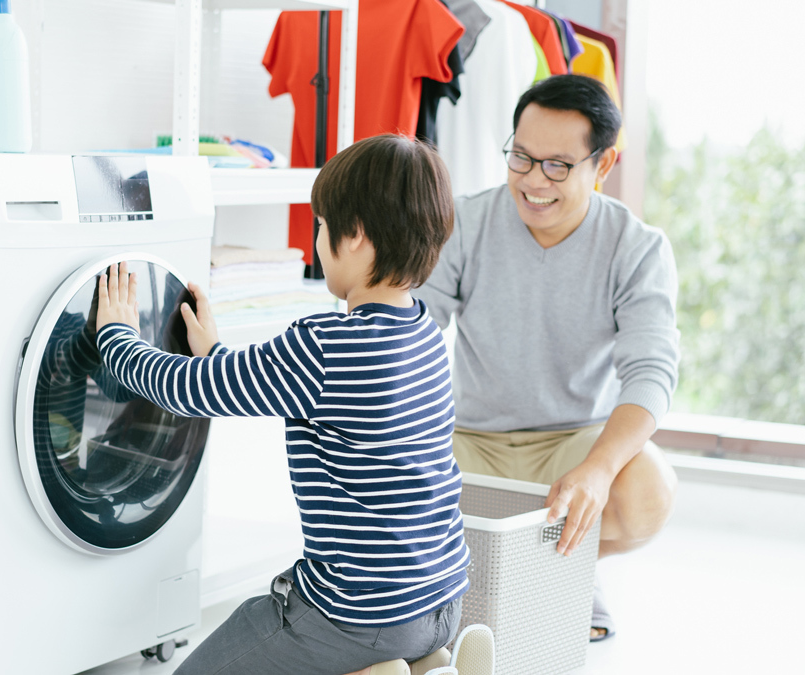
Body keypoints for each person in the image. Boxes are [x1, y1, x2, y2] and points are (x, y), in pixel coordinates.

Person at [93, 135, 469, 675]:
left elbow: (187, 389)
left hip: (358, 614)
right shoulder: (425, 333)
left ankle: (377, 663)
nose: (317, 240)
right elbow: (268, 386)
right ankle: (419, 666)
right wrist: (218, 355)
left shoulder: (324, 345)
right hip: (441, 597)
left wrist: (117, 337)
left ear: (356, 233)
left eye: (320, 226)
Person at [413, 74, 680, 641]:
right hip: (471, 439)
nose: (534, 181)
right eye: (521, 157)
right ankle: (528, 591)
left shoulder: (637, 247)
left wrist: (599, 470)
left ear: (602, 166)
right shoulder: (465, 221)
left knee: (648, 491)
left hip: (573, 444)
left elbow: (651, 374)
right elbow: (415, 326)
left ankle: (562, 578)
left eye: (558, 165)